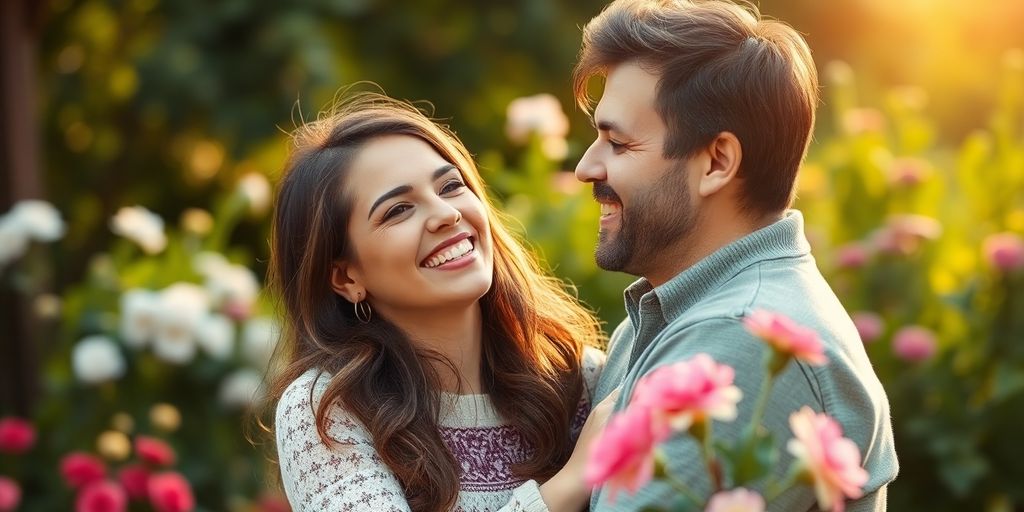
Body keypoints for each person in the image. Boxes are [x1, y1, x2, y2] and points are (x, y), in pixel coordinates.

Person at [572, 0, 899, 510]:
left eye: (617, 142)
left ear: (717, 161)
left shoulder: (739, 339)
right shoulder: (675, 311)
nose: (586, 167)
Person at [267, 93, 610, 511]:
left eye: (451, 185)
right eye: (397, 210)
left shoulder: (578, 379)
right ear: (345, 276)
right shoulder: (328, 409)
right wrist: (573, 480)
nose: (446, 213)